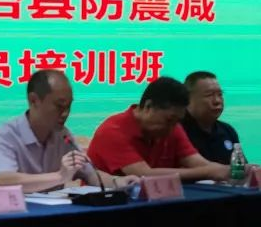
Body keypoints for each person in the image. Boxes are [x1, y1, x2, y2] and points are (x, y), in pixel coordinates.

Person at [0, 69, 136, 192]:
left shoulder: (64, 136)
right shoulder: (4, 136)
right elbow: (4, 180)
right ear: (34, 100)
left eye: (69, 106)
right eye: (59, 106)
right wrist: (59, 176)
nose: (65, 113)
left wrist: (119, 181)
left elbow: (91, 175)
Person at [87, 76, 230, 181]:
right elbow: (143, 174)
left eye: (177, 121)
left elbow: (198, 163)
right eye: (169, 120)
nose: (173, 128)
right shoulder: (113, 131)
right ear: (148, 106)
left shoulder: (173, 126)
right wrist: (208, 172)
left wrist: (228, 171)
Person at [181, 71, 241, 165]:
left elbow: (241, 168)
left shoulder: (227, 130)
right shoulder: (177, 131)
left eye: (220, 94)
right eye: (209, 95)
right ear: (187, 99)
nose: (217, 101)